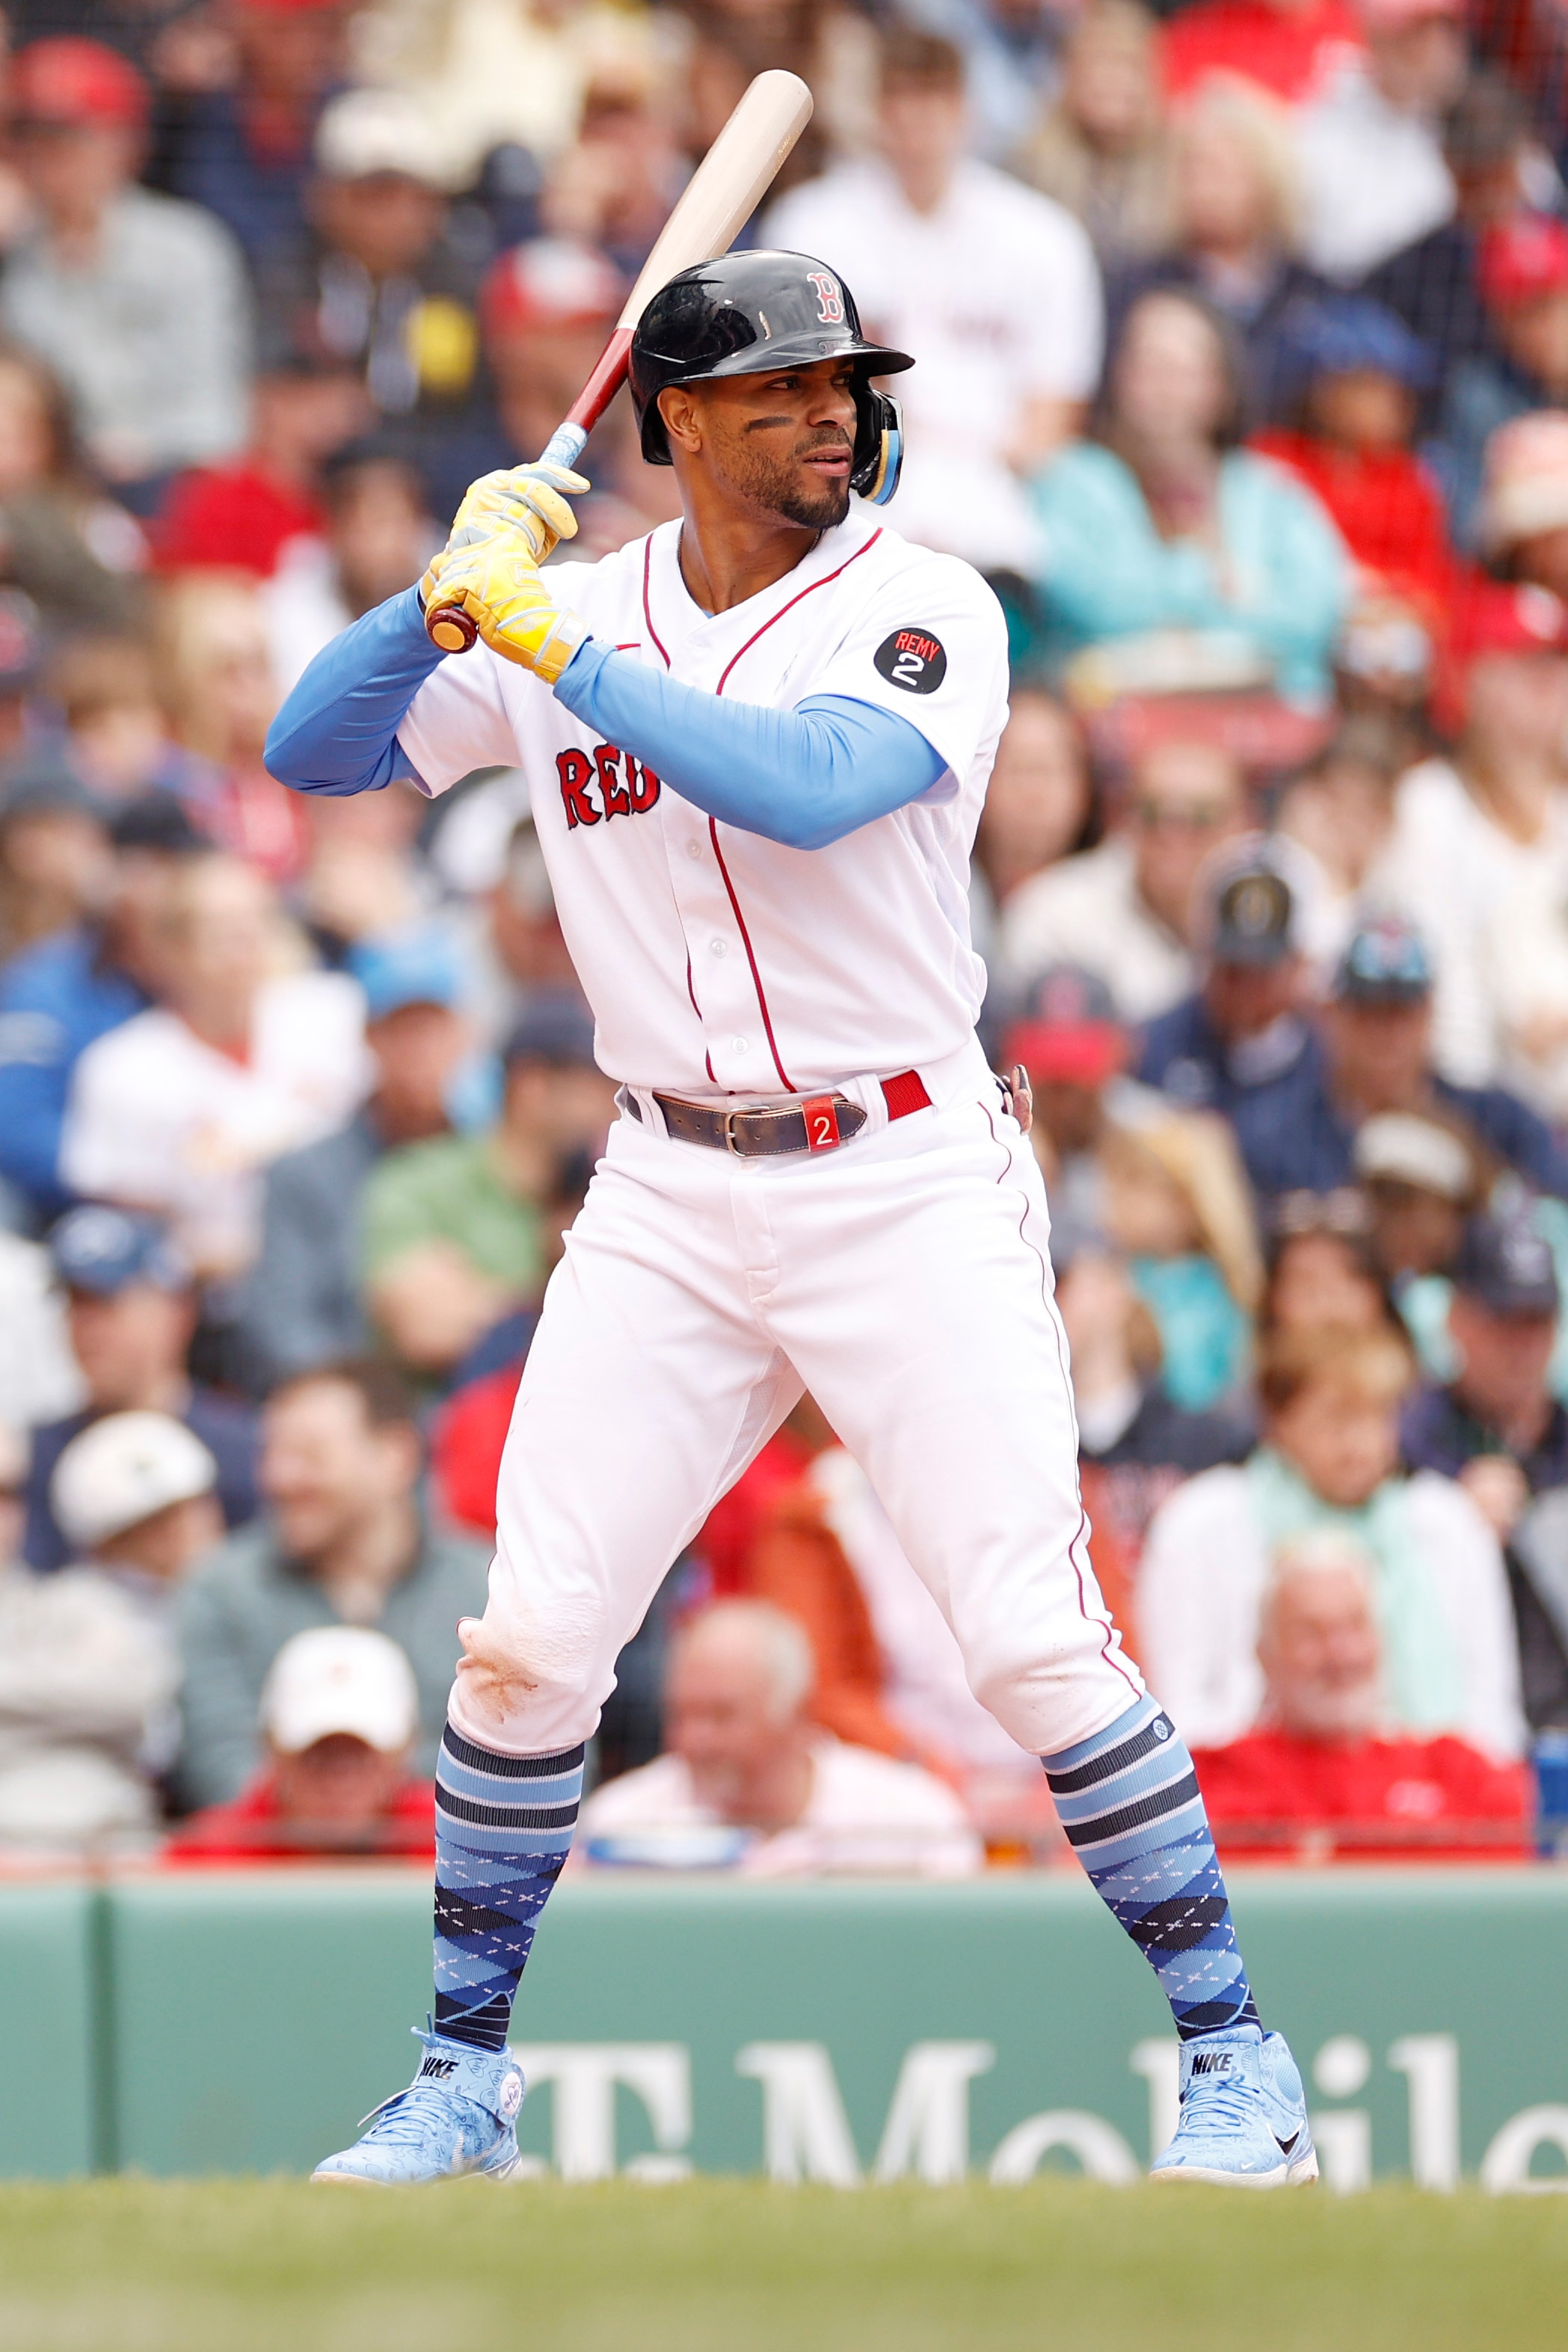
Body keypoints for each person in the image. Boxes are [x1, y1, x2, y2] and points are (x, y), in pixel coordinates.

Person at [265, 243, 1316, 2187]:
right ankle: (459, 2085)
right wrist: (435, 595)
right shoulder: (556, 597)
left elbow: (815, 786)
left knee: (1026, 1635)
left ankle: (1238, 2060)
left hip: (900, 1164)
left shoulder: (923, 602)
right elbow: (310, 753)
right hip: (667, 1178)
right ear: (672, 423)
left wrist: (557, 650)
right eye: (779, 389)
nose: (832, 410)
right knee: (526, 1643)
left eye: (844, 382)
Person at [766, 31, 1103, 577]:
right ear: (876, 110)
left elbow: (1052, 419)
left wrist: (962, 462)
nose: (916, 123)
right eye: (900, 101)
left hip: (1004, 496)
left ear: (964, 109)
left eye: (933, 101)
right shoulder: (812, 226)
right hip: (855, 486)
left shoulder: (1043, 236)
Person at [1139, 1323, 1526, 1758]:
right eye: (1337, 1419)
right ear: (1278, 1421)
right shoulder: (1201, 1520)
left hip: (1428, 1794)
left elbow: (1493, 1712)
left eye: (1377, 1415)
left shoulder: (1448, 1522)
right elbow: (1176, 1709)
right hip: (1254, 1795)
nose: (1359, 1443)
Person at [174, 1359, 491, 1808]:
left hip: (457, 1866)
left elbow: (539, 1758)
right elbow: (220, 1767)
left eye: (309, 1456)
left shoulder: (488, 1592)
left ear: (394, 1457)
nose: (280, 1478)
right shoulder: (221, 1591)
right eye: (271, 1455)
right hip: (278, 1872)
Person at [1030, 289, 1351, 706]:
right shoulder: (1073, 480)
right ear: (1119, 377)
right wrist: (1215, 586)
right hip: (1120, 719)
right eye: (1148, 367)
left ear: (1221, 386)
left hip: (1260, 717)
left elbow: (1314, 617)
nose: (1164, 389)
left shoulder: (1269, 492)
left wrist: (1178, 613)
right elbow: (1094, 604)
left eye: (1182, 371)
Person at [59, 851, 368, 1280]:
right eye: (221, 930)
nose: (246, 944)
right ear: (170, 949)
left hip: (348, 1264)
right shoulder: (121, 1069)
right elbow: (132, 1229)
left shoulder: (335, 1012)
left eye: (258, 921)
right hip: (214, 1297)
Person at [0, 37, 251, 506]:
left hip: (171, 488)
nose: (46, 155)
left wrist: (140, 448)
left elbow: (217, 423)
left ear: (126, 142)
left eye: (68, 135)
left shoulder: (187, 247)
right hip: (48, 499)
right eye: (30, 135)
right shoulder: (15, 252)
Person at [576, 1600, 984, 1877]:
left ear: (796, 1717)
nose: (694, 1740)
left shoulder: (912, 1819)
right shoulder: (620, 1821)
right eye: (682, 1715)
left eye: (721, 1717)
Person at [1192, 1532, 1531, 1858]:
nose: (1340, 1654)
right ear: (1265, 1656)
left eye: (1355, 1626)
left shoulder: (1458, 1772)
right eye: (1310, 1632)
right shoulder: (1212, 1780)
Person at [236, 928, 472, 1393]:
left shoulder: (494, 1163)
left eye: (433, 1028)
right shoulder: (303, 1172)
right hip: (351, 1418)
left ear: (462, 1035)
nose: (420, 1050)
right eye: (401, 1030)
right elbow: (284, 1326)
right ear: (370, 1037)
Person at [258, 87, 502, 521]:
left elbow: (473, 412)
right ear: (327, 196)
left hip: (436, 504)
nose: (403, 215)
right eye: (378, 194)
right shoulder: (286, 275)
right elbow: (274, 401)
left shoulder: (459, 288)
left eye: (420, 196)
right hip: (318, 495)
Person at [1227, 917, 1568, 1203]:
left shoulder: (1497, 1120)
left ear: (1430, 1014)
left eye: (1401, 1013)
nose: (1386, 1035)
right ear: (1331, 1015)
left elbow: (1555, 1211)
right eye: (1368, 1012)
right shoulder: (1276, 1132)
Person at [360, 992, 611, 1380]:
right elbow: (427, 1328)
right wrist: (551, 1304)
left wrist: (482, 1298)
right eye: (594, 1086)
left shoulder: (601, 1190)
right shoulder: (421, 1181)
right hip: (449, 1419)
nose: (610, 1106)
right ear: (533, 1086)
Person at [1381, 577, 1568, 1090]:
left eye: (1556, 661)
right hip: (1481, 1109)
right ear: (1467, 680)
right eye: (1523, 662)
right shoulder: (1427, 806)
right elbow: (1442, 1007)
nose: (1548, 682)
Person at [0, 1407, 209, 1852]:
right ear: (103, 1542)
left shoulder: (61, 1606)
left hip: (119, 1836)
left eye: (182, 1512)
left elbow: (129, 1694)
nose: (177, 1535)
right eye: (145, 1526)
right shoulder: (80, 1594)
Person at [0, 793, 204, 1224]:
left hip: (200, 1198)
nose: (167, 893)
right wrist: (125, 1175)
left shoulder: (209, 975)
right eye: (152, 872)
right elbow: (18, 1130)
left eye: (180, 874)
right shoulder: (46, 987)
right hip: (74, 1211)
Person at [23, 1206, 259, 1573]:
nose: (84, 1326)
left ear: (176, 1312)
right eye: (73, 1304)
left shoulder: (243, 1449)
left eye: (105, 1303)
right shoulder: (33, 1455)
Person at [1108, 78, 1329, 429]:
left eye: (1226, 170)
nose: (1206, 186)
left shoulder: (1312, 293)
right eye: (1193, 167)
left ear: (1270, 178)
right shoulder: (1139, 287)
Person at [1003, 734, 1247, 1022]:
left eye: (1201, 816)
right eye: (1153, 813)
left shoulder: (1278, 896)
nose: (1173, 835)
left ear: (1241, 825)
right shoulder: (1054, 913)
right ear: (1124, 819)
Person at [1250, 296, 1453, 618]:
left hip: (1391, 640)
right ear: (1323, 392)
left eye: (1399, 388)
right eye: (1373, 386)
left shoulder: (1409, 477)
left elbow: (1432, 591)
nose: (1394, 404)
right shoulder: (1272, 463)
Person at [168, 1624, 435, 1864]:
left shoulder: (456, 1850)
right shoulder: (206, 1859)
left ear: (406, 1750)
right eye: (315, 1758)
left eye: (361, 1759)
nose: (339, 1781)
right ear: (271, 1748)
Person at [1361, 70, 1533, 399]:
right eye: (1474, 175)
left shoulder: (1555, 245)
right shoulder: (1404, 274)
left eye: (1499, 172)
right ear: (1448, 162)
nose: (1489, 192)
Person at [1294, 0, 1467, 284]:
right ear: (1375, 40)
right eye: (1415, 35)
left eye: (1444, 30)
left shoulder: (1475, 115)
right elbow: (1333, 259)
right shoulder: (1320, 131)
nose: (1434, 48)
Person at [1139, 851, 1314, 1117]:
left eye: (1261, 974)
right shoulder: (1156, 1046)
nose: (1245, 992)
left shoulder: (1328, 1060)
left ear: (1297, 965)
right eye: (1233, 971)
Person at [1436, 212, 1568, 549]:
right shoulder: (1477, 395)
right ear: (1497, 324)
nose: (1542, 328)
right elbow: (1466, 530)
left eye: (1549, 304)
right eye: (1520, 312)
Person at [1010, 0, 1174, 268]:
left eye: (1127, 65)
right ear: (1069, 76)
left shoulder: (1177, 168)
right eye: (1099, 63)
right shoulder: (1028, 168)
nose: (1112, 80)